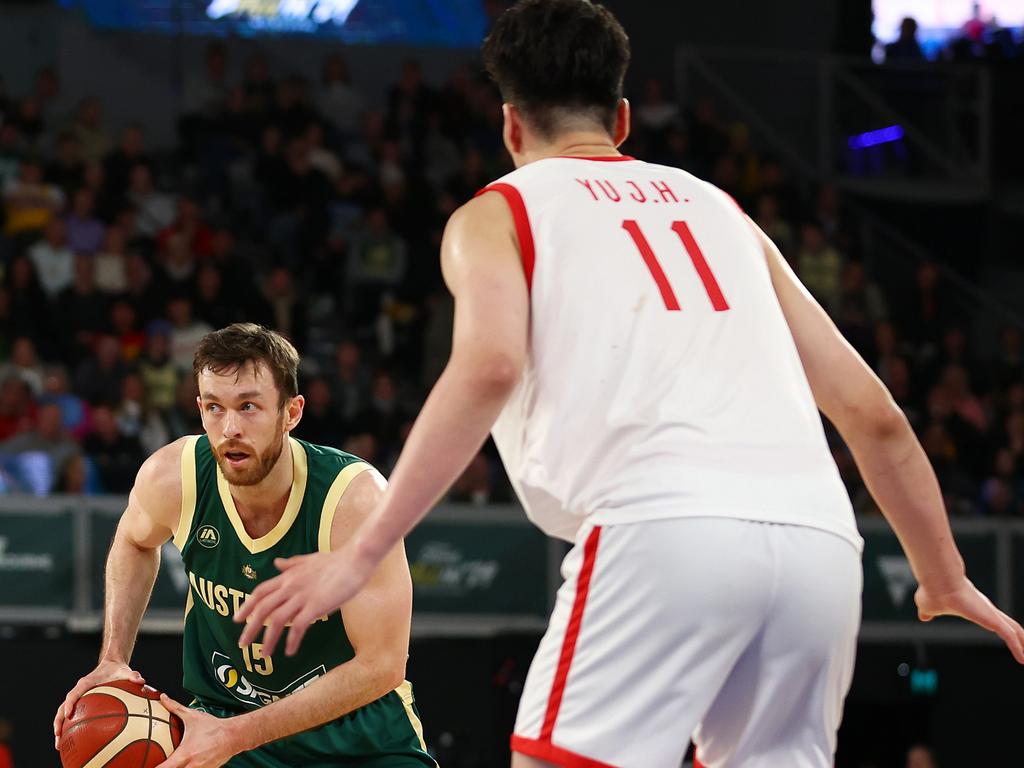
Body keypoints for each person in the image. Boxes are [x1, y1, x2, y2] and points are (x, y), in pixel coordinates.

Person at [237, 2, 1024, 768]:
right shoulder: (722, 210)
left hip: (661, 527)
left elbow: (489, 367)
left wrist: (363, 553)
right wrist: (944, 576)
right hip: (820, 539)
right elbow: (873, 414)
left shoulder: (498, 212)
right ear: (620, 121)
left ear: (510, 125)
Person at [54, 324, 434, 768]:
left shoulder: (354, 499)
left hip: (356, 733)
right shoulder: (173, 477)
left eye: (249, 406)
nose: (230, 428)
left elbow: (382, 666)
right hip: (226, 716)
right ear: (199, 409)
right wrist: (114, 658)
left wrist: (236, 736)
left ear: (291, 413)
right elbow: (133, 541)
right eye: (214, 407)